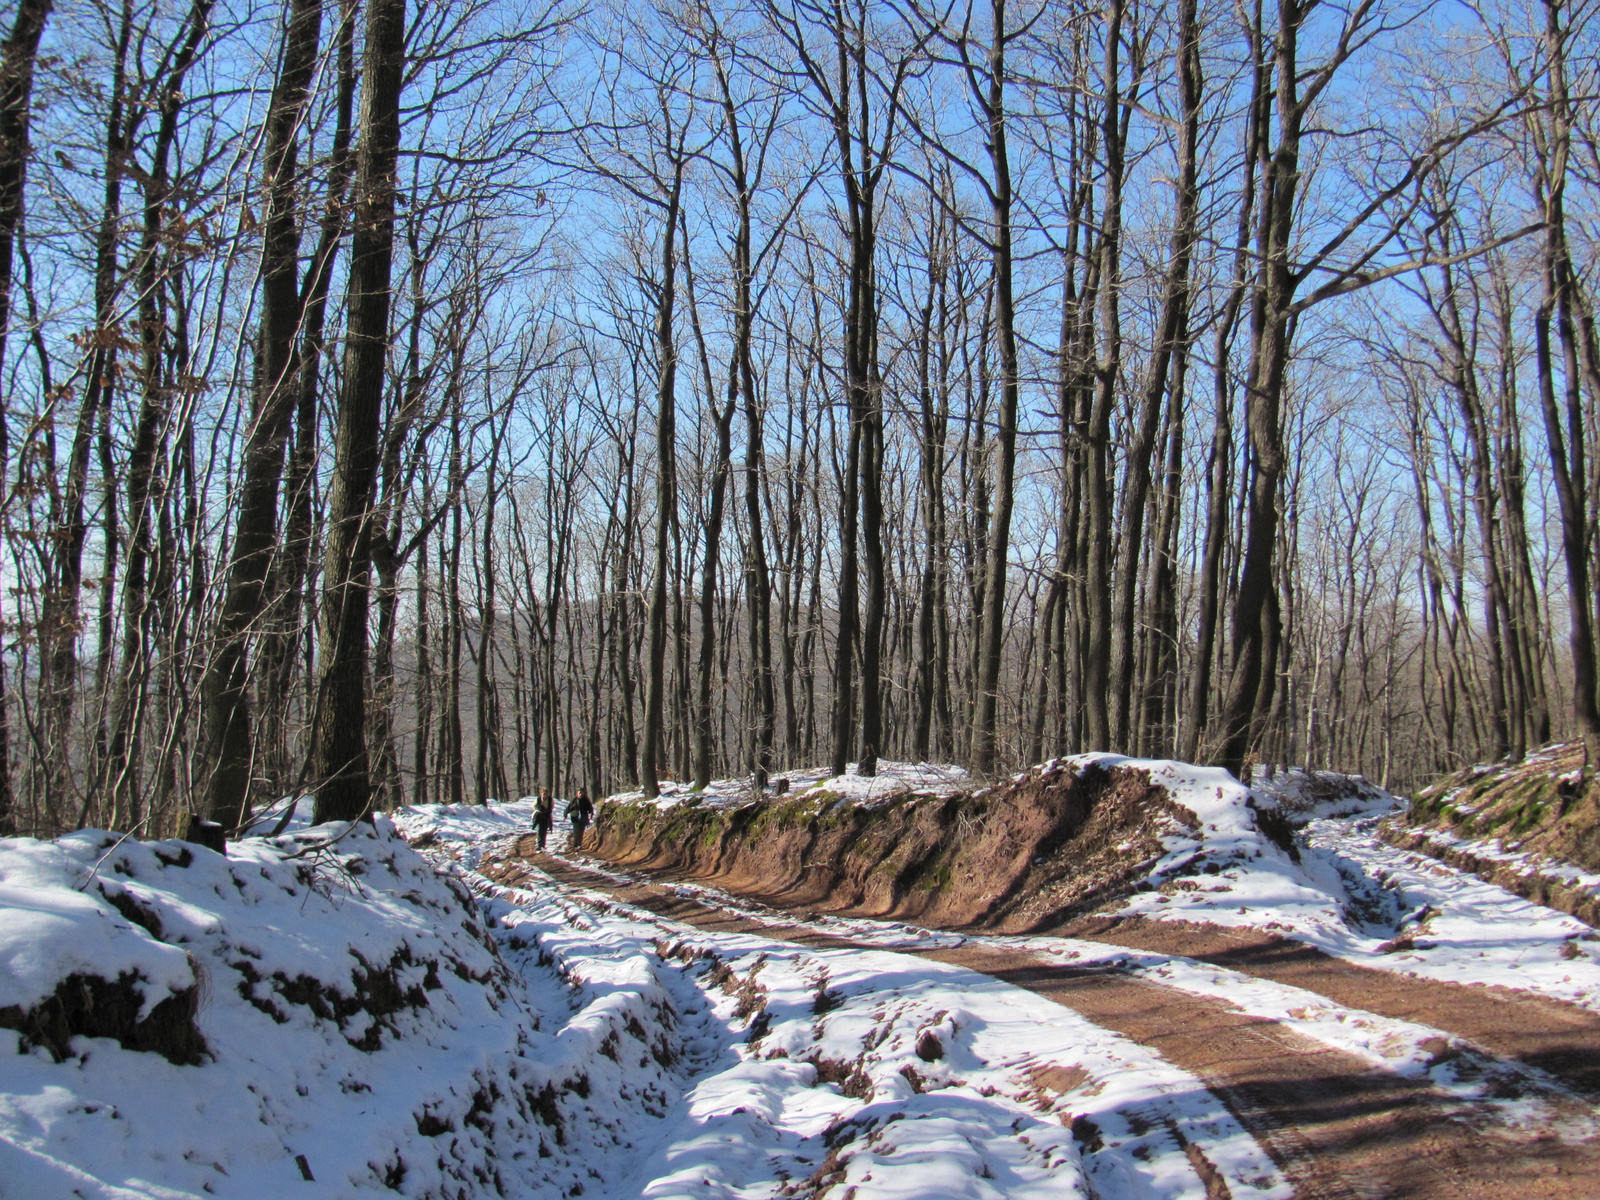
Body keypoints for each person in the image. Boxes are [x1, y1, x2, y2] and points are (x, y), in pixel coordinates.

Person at [566, 787, 594, 851]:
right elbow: (569, 807)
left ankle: (579, 844)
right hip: (575, 817)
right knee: (576, 831)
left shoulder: (586, 800)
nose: (581, 794)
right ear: (577, 793)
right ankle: (576, 845)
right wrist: (565, 813)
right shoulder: (574, 800)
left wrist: (591, 813)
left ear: (584, 793)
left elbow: (590, 808)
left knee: (581, 831)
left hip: (583, 817)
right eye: (579, 793)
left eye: (582, 793)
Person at [531, 787, 554, 852]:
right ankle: (539, 845)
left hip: (546, 816)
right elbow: (533, 806)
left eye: (546, 794)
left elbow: (552, 806)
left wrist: (547, 810)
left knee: (544, 830)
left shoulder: (550, 800)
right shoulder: (538, 799)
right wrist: (539, 809)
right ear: (541, 794)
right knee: (539, 830)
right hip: (539, 816)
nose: (545, 795)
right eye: (544, 794)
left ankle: (543, 845)